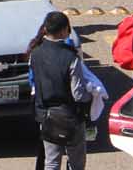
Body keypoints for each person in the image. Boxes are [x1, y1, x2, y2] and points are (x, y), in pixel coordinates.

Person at [27, 11, 92, 170]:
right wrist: (91, 97)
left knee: (51, 161)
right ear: (64, 30)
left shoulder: (34, 53)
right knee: (76, 162)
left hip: (46, 116)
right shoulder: (71, 57)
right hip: (70, 116)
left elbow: (34, 85)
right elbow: (78, 94)